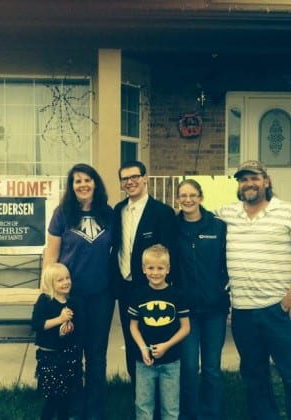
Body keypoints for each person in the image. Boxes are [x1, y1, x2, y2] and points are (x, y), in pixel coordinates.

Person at [216, 160, 291, 420]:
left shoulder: (289, 213)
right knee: (254, 376)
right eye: (243, 180)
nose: (249, 184)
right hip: (243, 313)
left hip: (279, 311)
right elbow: (194, 218)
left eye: (254, 178)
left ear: (266, 181)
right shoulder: (227, 214)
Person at [43, 163, 114, 420]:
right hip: (69, 296)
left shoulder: (108, 214)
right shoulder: (62, 213)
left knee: (96, 355)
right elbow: (51, 254)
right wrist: (49, 294)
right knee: (71, 354)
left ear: (95, 183)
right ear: (71, 186)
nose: (82, 184)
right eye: (77, 181)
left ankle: (96, 412)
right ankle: (74, 411)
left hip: (101, 295)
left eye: (87, 179)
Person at [110, 160, 178, 383]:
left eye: (135, 177)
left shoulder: (162, 213)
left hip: (153, 289)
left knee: (156, 337)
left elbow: (170, 253)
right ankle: (139, 391)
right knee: (133, 340)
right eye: (125, 179)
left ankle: (163, 392)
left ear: (145, 178)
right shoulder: (118, 211)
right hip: (125, 287)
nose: (130, 182)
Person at [175, 179, 229, 420]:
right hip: (185, 310)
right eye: (183, 195)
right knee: (187, 367)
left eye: (192, 195)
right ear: (178, 199)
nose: (188, 199)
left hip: (214, 308)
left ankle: (211, 414)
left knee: (211, 368)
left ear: (201, 197)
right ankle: (190, 414)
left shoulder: (217, 227)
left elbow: (230, 260)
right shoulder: (172, 228)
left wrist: (222, 287)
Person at [128, 244, 190, 420]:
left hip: (171, 361)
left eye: (160, 268)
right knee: (143, 405)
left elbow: (186, 327)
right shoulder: (138, 295)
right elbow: (133, 326)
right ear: (143, 269)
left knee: (170, 407)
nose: (156, 272)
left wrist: (166, 346)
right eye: (151, 268)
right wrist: (142, 348)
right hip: (144, 362)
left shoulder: (177, 295)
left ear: (168, 269)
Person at [32, 263, 82, 420]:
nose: (66, 282)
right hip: (50, 356)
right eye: (60, 280)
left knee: (66, 394)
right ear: (50, 283)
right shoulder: (45, 301)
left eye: (67, 278)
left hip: (68, 354)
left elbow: (77, 327)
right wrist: (59, 319)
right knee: (52, 397)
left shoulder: (71, 301)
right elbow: (37, 325)